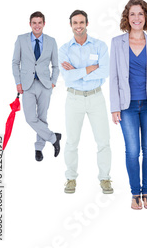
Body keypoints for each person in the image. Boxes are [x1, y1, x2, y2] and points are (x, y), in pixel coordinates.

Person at [110, 0, 147, 210]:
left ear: (146, 17)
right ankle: (135, 193)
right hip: (127, 106)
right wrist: (115, 107)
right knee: (132, 150)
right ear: (127, 17)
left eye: (140, 14)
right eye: (132, 14)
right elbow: (113, 76)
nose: (136, 18)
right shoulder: (117, 43)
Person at [59, 10, 113, 194]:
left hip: (96, 98)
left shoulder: (100, 46)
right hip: (73, 98)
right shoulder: (64, 49)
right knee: (72, 141)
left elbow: (105, 71)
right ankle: (70, 179)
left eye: (81, 22)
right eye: (75, 22)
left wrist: (78, 71)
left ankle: (105, 178)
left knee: (103, 141)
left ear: (87, 23)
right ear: (71, 25)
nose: (78, 26)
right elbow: (67, 77)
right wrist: (89, 69)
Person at [12, 11, 61, 162]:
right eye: (34, 23)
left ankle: (39, 148)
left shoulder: (51, 41)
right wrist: (18, 82)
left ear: (44, 24)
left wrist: (53, 82)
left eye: (40, 22)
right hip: (27, 84)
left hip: (45, 84)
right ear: (30, 24)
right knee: (30, 118)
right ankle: (53, 138)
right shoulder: (21, 39)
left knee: (42, 117)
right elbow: (15, 62)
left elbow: (56, 65)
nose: (37, 25)